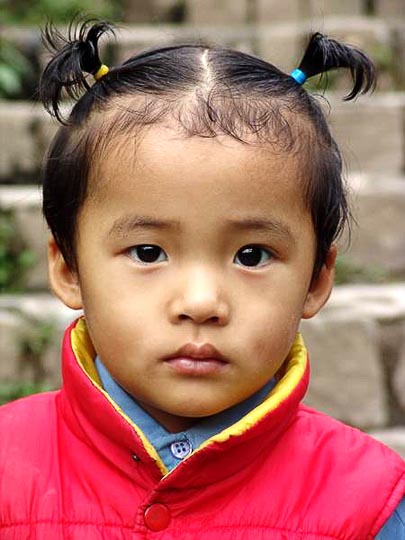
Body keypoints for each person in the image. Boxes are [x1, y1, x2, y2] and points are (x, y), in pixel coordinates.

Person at [0, 18, 404, 539]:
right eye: (148, 252)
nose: (200, 302)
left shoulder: (369, 503)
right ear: (68, 268)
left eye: (252, 255)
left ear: (316, 280)